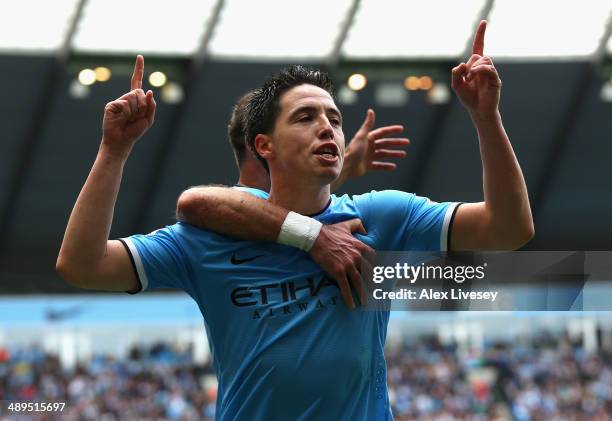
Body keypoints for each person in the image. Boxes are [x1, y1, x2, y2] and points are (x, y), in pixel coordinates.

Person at [57, 21, 533, 420]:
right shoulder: (205, 240)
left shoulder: (382, 216)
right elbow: (82, 265)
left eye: (333, 118)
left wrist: (486, 118)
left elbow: (508, 230)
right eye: (305, 117)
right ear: (263, 146)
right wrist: (113, 150)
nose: (327, 126)